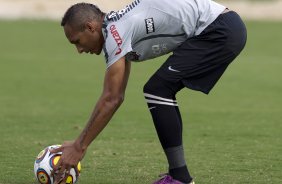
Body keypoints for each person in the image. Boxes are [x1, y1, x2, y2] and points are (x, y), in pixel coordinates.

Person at [51, 0, 247, 183]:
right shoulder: (115, 29)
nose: (79, 49)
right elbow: (117, 96)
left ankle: (179, 177)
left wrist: (79, 146)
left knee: (158, 89)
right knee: (158, 89)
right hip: (220, 27)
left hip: (218, 30)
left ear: (90, 27)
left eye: (76, 41)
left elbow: (111, 98)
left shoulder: (116, 32)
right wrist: (80, 142)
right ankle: (178, 175)